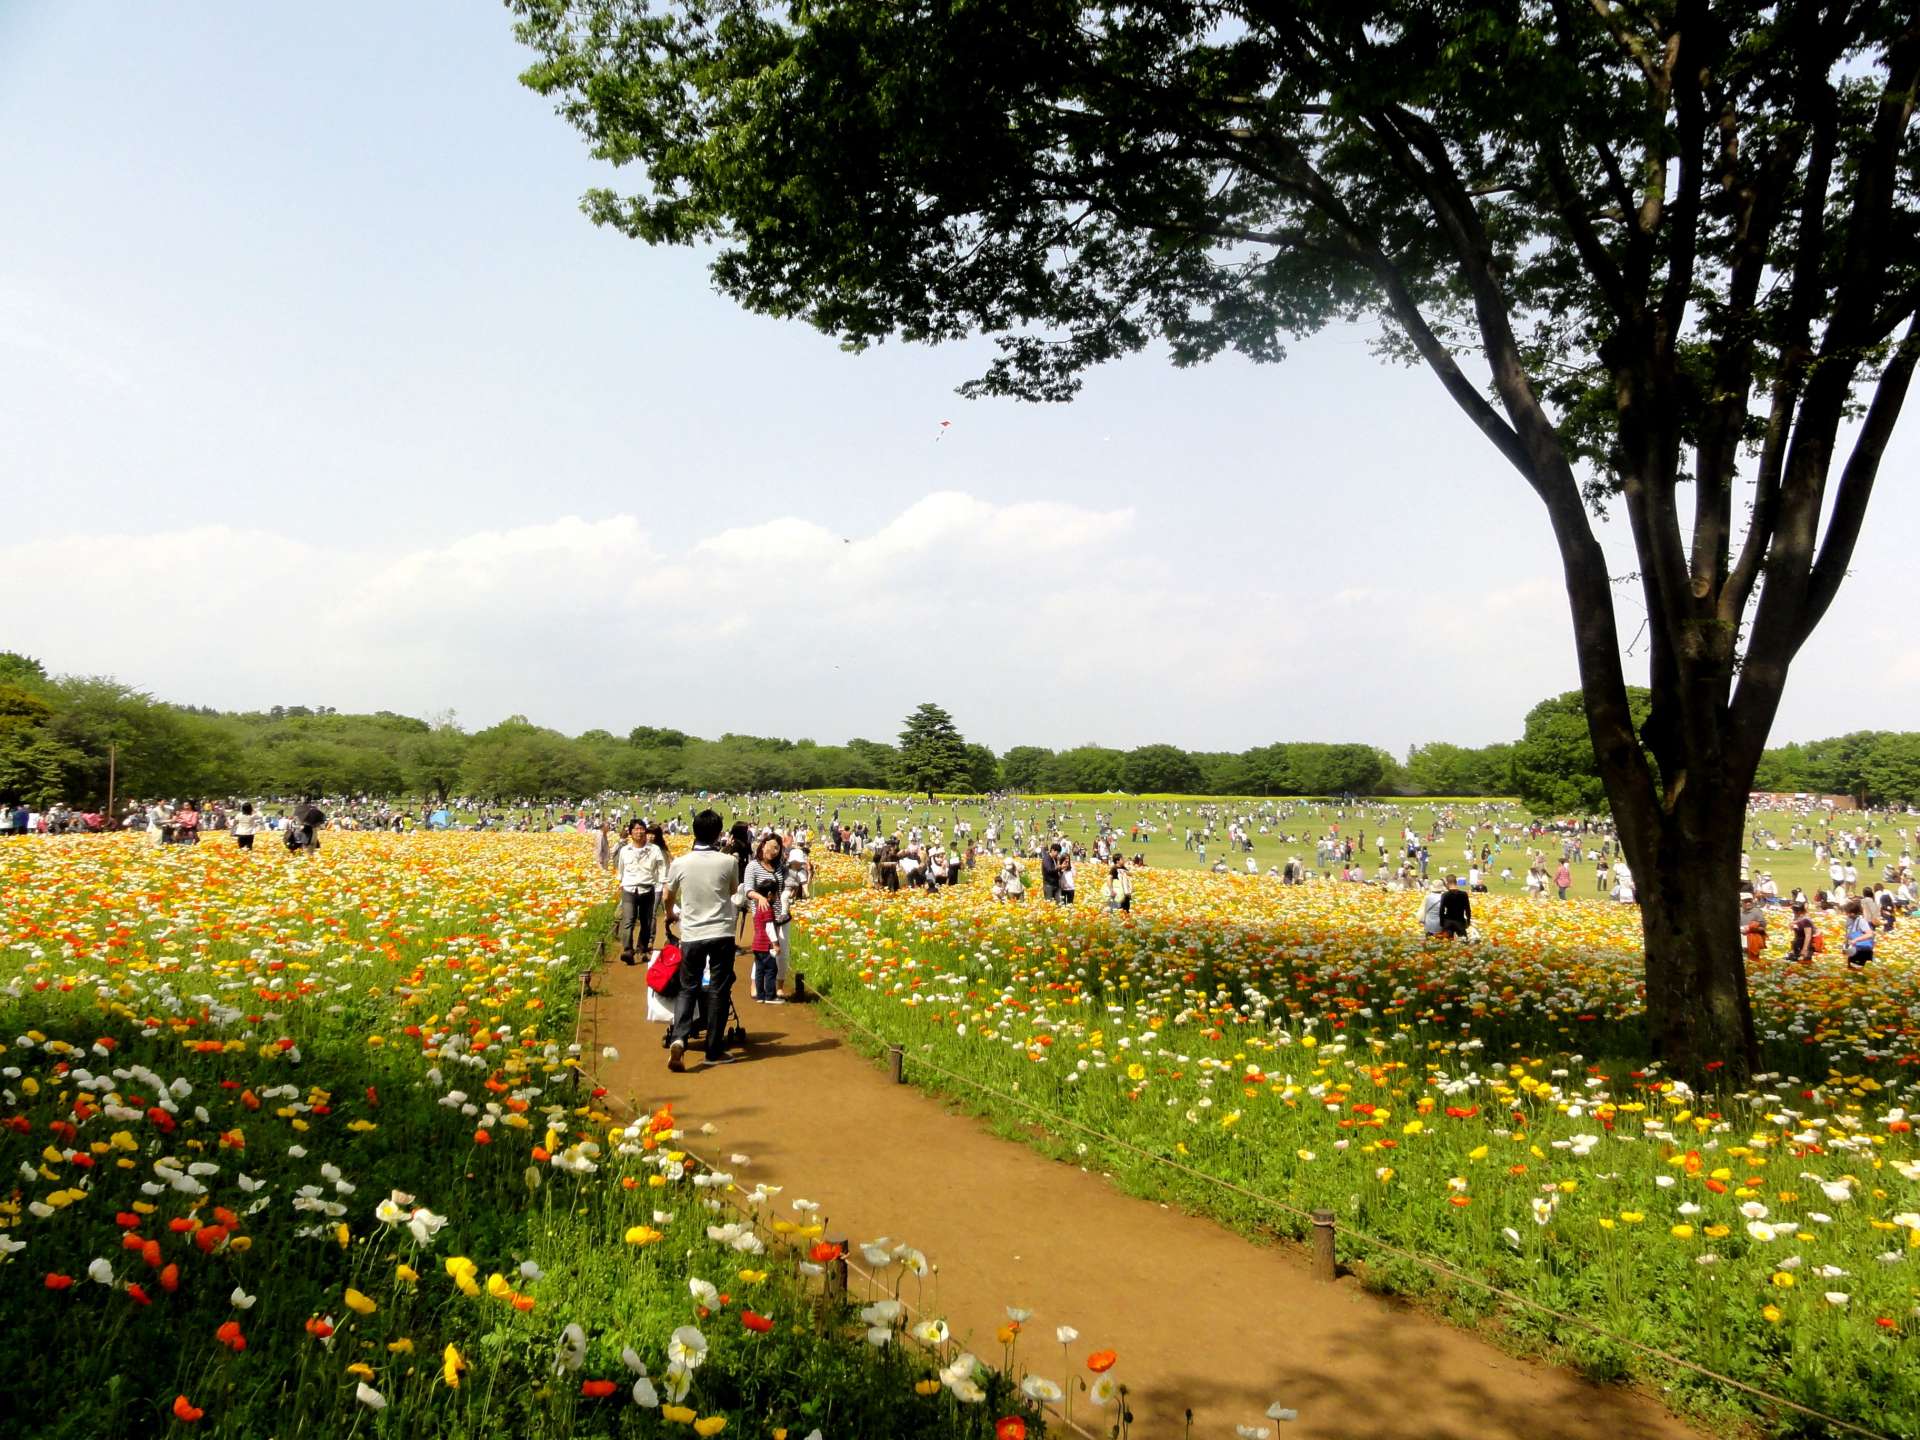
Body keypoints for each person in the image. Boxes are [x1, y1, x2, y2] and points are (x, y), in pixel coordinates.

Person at [664, 809, 746, 1069]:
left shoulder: (680, 863)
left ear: (694, 831)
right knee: (719, 991)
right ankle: (713, 1050)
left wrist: (669, 914)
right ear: (719, 833)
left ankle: (679, 1038)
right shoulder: (728, 862)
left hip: (692, 933)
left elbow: (668, 895)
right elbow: (733, 892)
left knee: (688, 988)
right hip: (721, 932)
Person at [611, 819, 669, 966]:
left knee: (646, 921)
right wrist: (620, 882)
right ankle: (628, 950)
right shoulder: (625, 850)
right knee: (628, 919)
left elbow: (662, 867)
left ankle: (642, 948)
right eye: (636, 829)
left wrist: (663, 884)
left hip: (647, 887)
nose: (639, 832)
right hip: (629, 888)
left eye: (641, 829)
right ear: (630, 833)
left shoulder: (654, 849)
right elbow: (621, 869)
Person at [747, 875, 780, 1002]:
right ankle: (770, 995)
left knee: (759, 970)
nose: (777, 897)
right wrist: (775, 943)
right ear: (770, 894)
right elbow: (770, 927)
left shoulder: (758, 908)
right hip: (766, 945)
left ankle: (760, 995)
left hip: (757, 944)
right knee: (771, 970)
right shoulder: (767, 909)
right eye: (776, 894)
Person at [1844, 898, 1875, 970]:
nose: (1847, 914)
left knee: (1856, 970)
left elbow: (1870, 934)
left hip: (1861, 949)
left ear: (1854, 912)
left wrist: (1856, 940)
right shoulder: (1850, 920)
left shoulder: (1861, 921)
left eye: (1848, 912)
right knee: (1851, 969)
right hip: (1853, 948)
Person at [1437, 874, 1471, 939]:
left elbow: (1441, 910)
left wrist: (1442, 922)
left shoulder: (1445, 895)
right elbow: (1467, 909)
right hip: (1460, 920)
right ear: (1456, 882)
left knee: (1447, 943)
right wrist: (1468, 920)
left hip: (1448, 921)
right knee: (1463, 941)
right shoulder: (1464, 894)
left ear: (1447, 883)